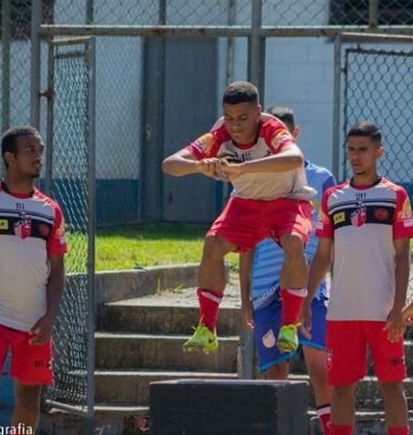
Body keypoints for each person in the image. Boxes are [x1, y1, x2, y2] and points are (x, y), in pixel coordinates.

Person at [162, 81, 315, 355]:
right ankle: (207, 328)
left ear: (258, 112)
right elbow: (169, 164)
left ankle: (290, 324)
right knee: (212, 244)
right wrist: (198, 166)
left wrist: (243, 169)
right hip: (246, 204)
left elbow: (294, 158)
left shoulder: (272, 128)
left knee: (293, 242)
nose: (235, 126)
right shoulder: (218, 133)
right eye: (230, 118)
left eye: (243, 118)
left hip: (287, 201)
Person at [0, 126, 67, 431]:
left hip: (34, 321)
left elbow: (57, 269)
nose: (38, 157)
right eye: (30, 151)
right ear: (10, 157)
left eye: (40, 150)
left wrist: (50, 316)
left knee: (30, 397)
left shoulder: (51, 209)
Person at [306, 122, 412, 435]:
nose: (356, 156)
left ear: (378, 152)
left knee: (392, 386)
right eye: (351, 149)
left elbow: (403, 255)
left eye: (363, 150)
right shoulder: (332, 198)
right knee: (340, 388)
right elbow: (323, 255)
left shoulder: (396, 195)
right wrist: (306, 300)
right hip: (341, 312)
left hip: (383, 312)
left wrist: (397, 305)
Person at [239, 106, 333, 434]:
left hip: (309, 290)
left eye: (285, 137)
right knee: (276, 373)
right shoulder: (253, 180)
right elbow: (246, 244)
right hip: (266, 293)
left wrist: (315, 288)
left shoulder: (321, 179)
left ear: (295, 135)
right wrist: (244, 298)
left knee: (319, 368)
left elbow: (326, 241)